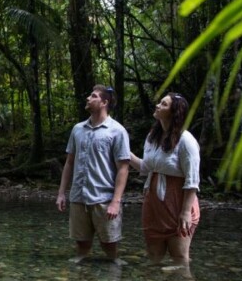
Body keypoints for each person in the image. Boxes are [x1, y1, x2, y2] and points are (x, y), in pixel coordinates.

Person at [56, 85, 130, 264]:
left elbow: (123, 168)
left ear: (104, 102)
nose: (88, 98)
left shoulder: (117, 131)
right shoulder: (77, 129)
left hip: (104, 198)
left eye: (94, 96)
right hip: (79, 196)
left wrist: (115, 201)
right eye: (90, 95)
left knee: (110, 245)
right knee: (81, 244)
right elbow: (69, 162)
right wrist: (61, 193)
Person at [129, 92, 200, 267]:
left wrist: (185, 212)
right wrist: (125, 153)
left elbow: (192, 180)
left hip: (177, 204)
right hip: (153, 204)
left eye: (164, 104)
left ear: (175, 112)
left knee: (180, 257)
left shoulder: (186, 140)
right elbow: (146, 167)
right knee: (153, 256)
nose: (158, 106)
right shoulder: (152, 137)